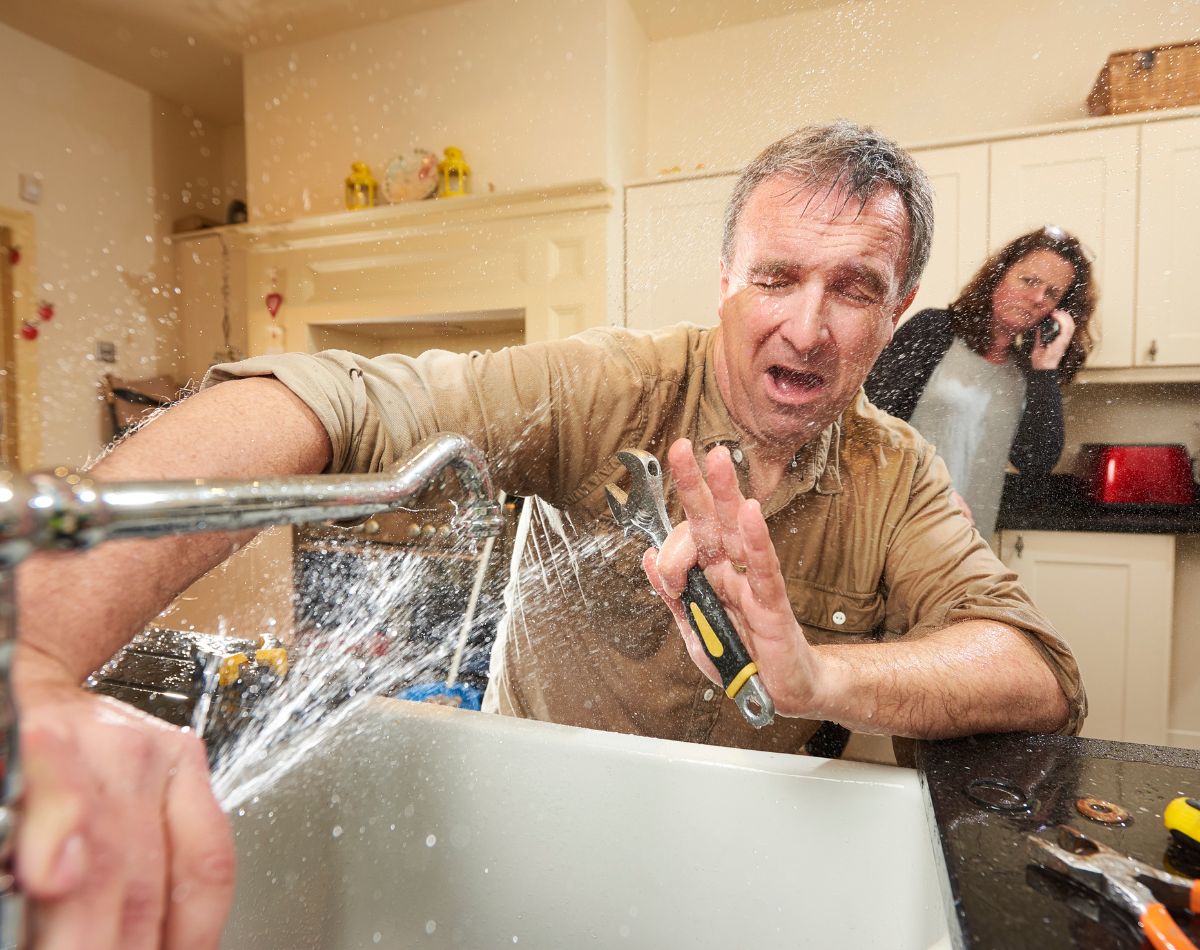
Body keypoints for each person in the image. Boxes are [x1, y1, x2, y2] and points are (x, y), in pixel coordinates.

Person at [10, 121, 1084, 949]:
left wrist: (820, 675)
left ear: (894, 315)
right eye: (775, 277)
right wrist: (38, 656)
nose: (807, 327)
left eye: (853, 289)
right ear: (724, 281)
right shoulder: (610, 386)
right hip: (522, 832)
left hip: (742, 859)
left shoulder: (895, 474)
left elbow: (1031, 663)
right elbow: (331, 398)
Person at [865, 226, 1096, 536]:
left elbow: (1036, 461)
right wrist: (930, 491)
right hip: (894, 529)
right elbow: (868, 426)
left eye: (1052, 293)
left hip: (970, 542)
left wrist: (1045, 370)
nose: (1038, 298)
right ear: (998, 276)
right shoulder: (933, 330)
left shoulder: (1027, 371)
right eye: (1029, 281)